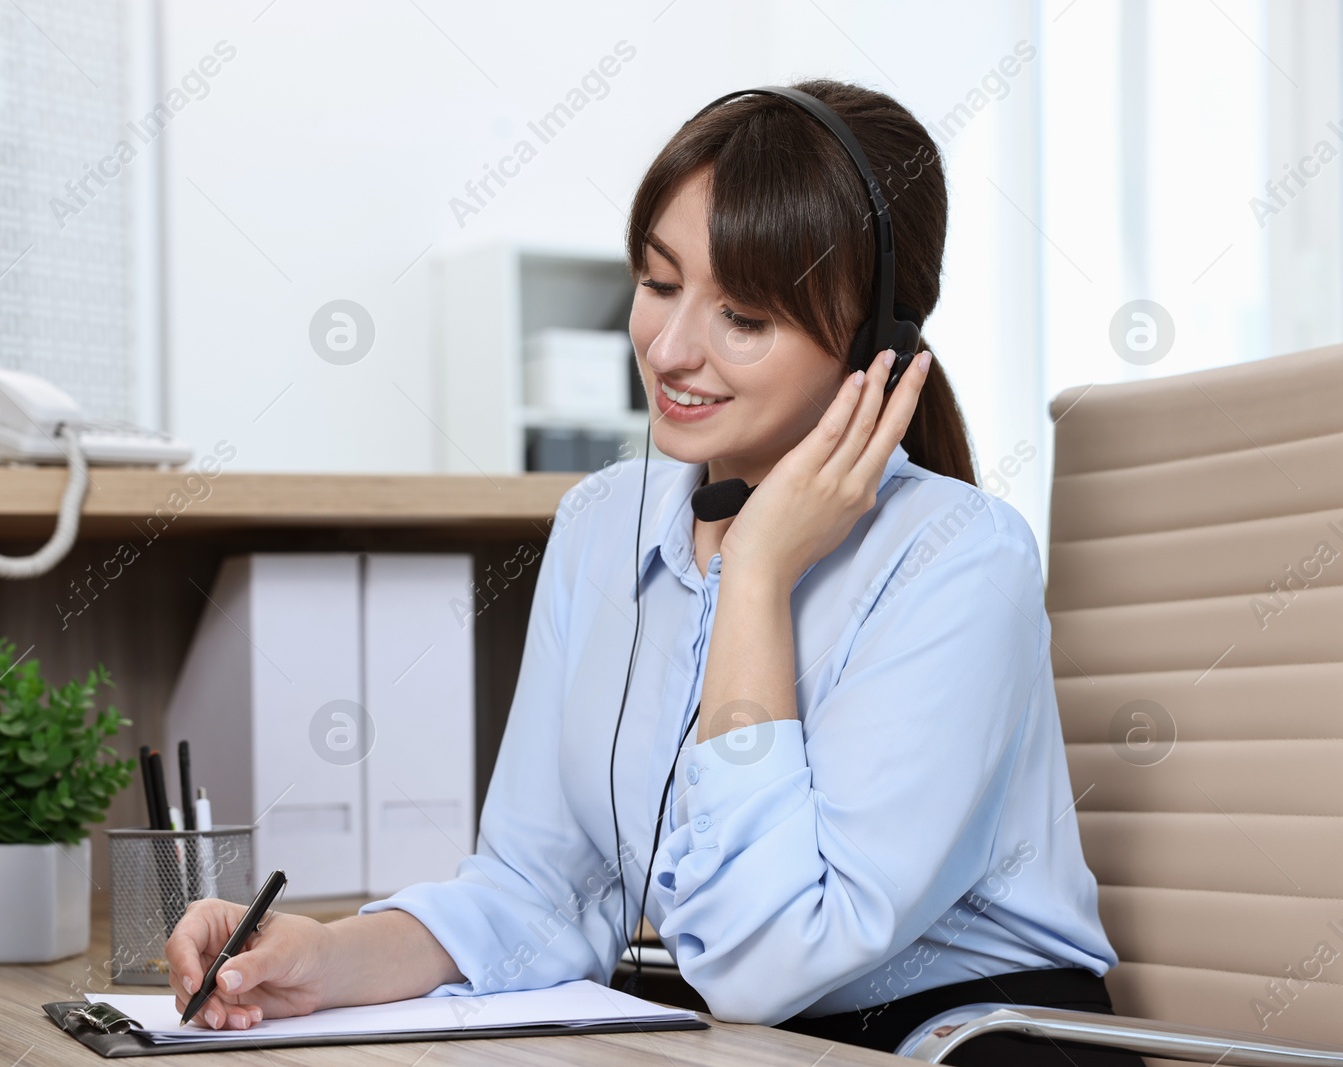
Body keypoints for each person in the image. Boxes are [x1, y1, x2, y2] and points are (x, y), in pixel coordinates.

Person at [166, 78, 1140, 1066]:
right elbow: (538, 888)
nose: (669, 349)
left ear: (874, 347)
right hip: (745, 1031)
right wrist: (324, 956)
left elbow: (772, 957)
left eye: (744, 317)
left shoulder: (958, 557)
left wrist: (754, 574)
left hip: (967, 1032)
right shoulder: (603, 522)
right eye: (658, 282)